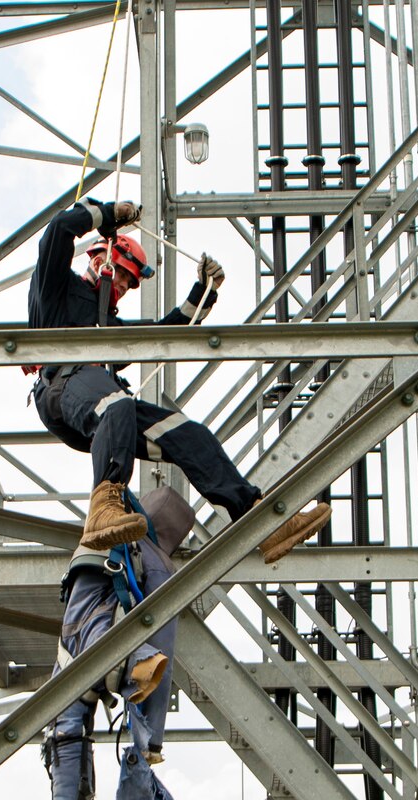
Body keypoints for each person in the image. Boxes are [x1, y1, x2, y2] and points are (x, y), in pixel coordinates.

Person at [27, 195, 331, 558]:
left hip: (105, 409)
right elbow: (58, 231)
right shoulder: (56, 289)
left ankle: (261, 521)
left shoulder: (107, 325)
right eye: (121, 273)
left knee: (190, 436)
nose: (122, 285)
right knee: (116, 402)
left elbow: (161, 335)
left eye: (129, 281)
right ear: (99, 258)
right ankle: (105, 507)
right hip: (62, 389)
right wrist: (106, 215)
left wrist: (202, 294)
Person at [44, 487, 197, 800]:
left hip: (69, 657)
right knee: (71, 750)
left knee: (66, 746)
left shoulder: (96, 539)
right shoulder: (154, 562)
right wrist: (150, 738)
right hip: (109, 654)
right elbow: (158, 640)